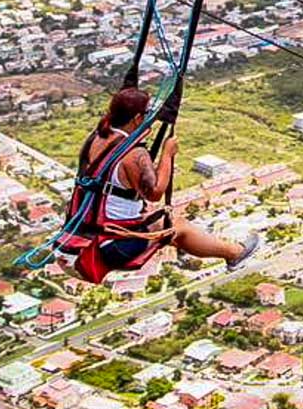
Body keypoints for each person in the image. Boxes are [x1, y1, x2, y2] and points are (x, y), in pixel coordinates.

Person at [79, 87, 259, 273]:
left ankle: (233, 252)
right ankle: (236, 253)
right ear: (137, 119)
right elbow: (155, 193)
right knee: (177, 226)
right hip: (113, 247)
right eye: (148, 113)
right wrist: (167, 154)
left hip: (93, 231)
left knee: (166, 225)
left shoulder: (99, 137)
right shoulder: (133, 153)